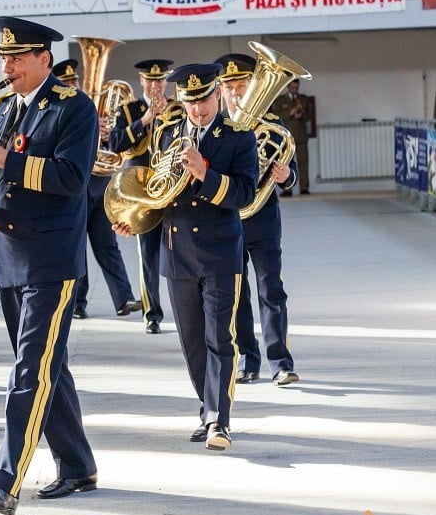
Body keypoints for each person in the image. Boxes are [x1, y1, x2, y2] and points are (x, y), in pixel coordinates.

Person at [0, 17, 98, 515]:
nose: (8, 67)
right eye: (4, 59)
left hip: (50, 257)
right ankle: (78, 465)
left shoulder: (74, 107)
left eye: (17, 58)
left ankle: (5, 481)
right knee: (49, 367)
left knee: (29, 371)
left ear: (44, 58)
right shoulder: (1, 106)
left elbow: (71, 177)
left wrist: (5, 159)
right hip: (8, 255)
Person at [113, 63, 257, 451]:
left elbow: (245, 195)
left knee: (219, 340)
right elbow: (159, 196)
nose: (199, 110)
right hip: (178, 255)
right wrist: (135, 219)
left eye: (205, 100)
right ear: (182, 101)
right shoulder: (168, 133)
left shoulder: (239, 137)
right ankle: (206, 406)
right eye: (191, 102)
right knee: (192, 342)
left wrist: (204, 174)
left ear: (218, 95)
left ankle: (218, 420)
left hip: (220, 253)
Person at [216, 53, 300, 387]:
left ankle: (280, 362)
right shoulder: (216, 130)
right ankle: (248, 360)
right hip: (227, 222)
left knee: (271, 291)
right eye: (230, 87)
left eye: (241, 85)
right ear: (220, 90)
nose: (236, 93)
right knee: (236, 296)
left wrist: (284, 176)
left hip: (263, 221)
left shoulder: (274, 126)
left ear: (252, 84)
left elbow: (293, 172)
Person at [52, 58, 140, 321]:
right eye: (68, 82)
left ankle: (124, 298)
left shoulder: (91, 110)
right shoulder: (57, 113)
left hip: (99, 188)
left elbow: (112, 148)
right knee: (77, 247)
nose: (75, 85)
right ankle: (78, 302)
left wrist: (103, 132)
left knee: (108, 245)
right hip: (75, 190)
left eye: (75, 80)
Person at [107, 59, 175, 334]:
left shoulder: (178, 107)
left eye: (161, 81)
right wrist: (146, 119)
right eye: (151, 81)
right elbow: (114, 143)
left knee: (180, 253)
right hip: (140, 191)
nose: (156, 86)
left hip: (170, 187)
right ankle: (152, 314)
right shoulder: (128, 110)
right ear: (142, 82)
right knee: (148, 256)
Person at [269, 78, 313, 194]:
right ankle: (287, 189)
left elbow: (310, 115)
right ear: (288, 86)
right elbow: (275, 116)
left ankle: (304, 188)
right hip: (286, 139)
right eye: (292, 88)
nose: (294, 90)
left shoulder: (303, 99)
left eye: (296, 88)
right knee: (285, 163)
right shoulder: (279, 100)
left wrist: (301, 115)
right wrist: (289, 113)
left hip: (301, 136)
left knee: (303, 163)